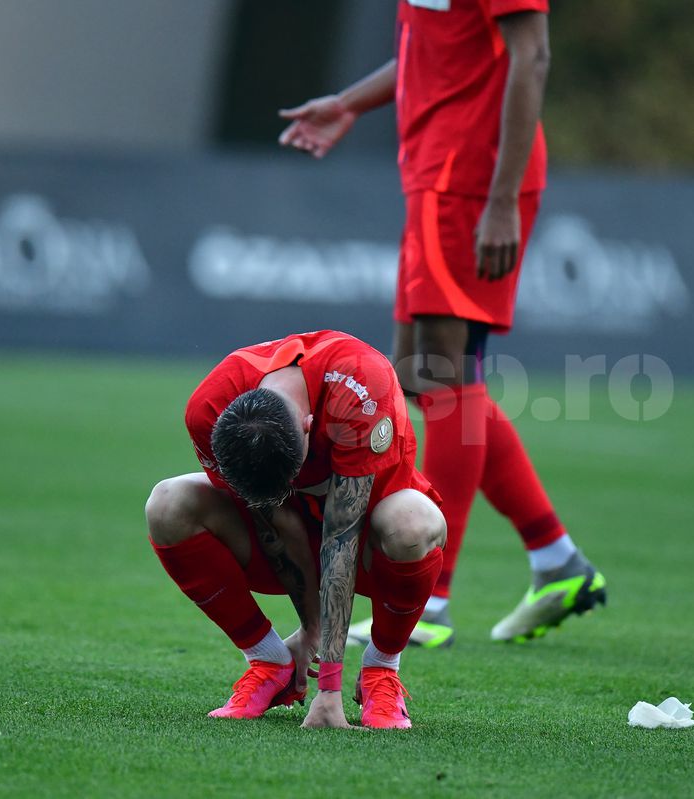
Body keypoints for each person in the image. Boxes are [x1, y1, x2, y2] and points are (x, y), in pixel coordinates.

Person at [277, 0, 605, 646]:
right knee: (421, 378)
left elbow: (531, 55)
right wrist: (349, 101)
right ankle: (556, 560)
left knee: (445, 372)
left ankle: (430, 600)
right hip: (433, 168)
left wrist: (502, 196)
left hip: (471, 174)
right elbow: (434, 46)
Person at [145, 331, 447, 729]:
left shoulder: (360, 389)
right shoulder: (208, 409)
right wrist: (310, 626)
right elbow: (275, 517)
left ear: (309, 426)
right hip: (283, 542)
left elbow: (342, 539)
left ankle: (381, 670)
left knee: (412, 523)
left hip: (368, 547)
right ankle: (269, 662)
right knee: (168, 503)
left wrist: (329, 691)